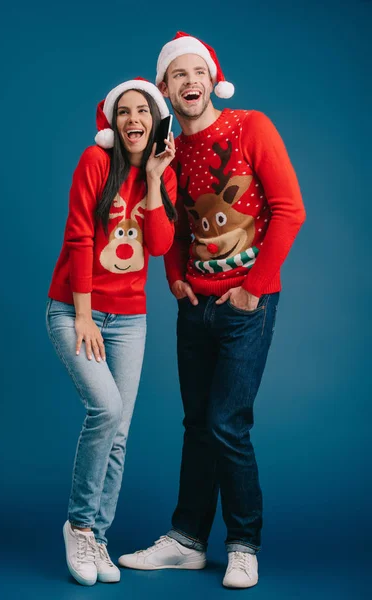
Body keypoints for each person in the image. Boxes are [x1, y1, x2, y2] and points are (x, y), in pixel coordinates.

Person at [118, 33, 306, 589]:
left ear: (212, 80)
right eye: (178, 76)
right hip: (195, 305)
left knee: (228, 424)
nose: (190, 82)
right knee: (197, 424)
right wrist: (175, 276)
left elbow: (288, 209)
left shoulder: (251, 127)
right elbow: (173, 225)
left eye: (197, 72)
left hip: (248, 304)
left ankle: (244, 542)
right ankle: (187, 540)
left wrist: (256, 287)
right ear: (165, 90)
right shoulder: (168, 150)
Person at [46, 77, 177, 586]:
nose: (133, 119)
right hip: (74, 309)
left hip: (130, 318)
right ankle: (78, 526)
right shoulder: (94, 163)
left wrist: (155, 179)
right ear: (113, 123)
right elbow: (79, 236)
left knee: (119, 432)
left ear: (155, 119)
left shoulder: (157, 175)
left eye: (142, 110)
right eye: (124, 111)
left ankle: (100, 537)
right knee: (106, 409)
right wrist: (82, 316)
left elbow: (162, 244)